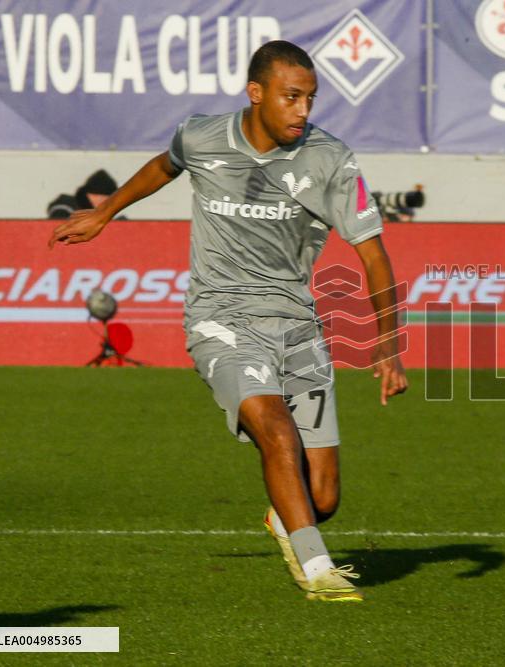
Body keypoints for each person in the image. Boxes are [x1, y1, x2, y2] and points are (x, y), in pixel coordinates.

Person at [49, 41, 407, 602]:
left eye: (310, 98)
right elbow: (165, 165)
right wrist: (107, 211)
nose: (303, 111)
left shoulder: (331, 160)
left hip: (296, 326)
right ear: (257, 93)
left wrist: (388, 343)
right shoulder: (202, 135)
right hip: (221, 318)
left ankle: (286, 518)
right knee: (273, 426)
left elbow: (375, 256)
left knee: (325, 495)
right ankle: (318, 572)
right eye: (292, 97)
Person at [47, 169, 119, 219]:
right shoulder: (67, 205)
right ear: (85, 194)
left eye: (105, 197)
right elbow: (58, 224)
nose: (99, 200)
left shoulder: (110, 216)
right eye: (95, 195)